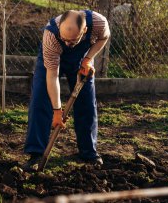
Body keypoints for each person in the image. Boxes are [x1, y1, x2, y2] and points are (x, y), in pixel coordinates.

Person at [23, 9, 111, 170]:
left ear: (84, 31)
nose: (67, 44)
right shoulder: (51, 36)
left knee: (86, 102)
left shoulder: (99, 23)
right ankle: (36, 154)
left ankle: (88, 152)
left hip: (80, 59)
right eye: (64, 39)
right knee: (40, 98)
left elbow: (104, 37)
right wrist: (57, 111)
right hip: (52, 60)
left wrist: (88, 59)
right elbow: (52, 77)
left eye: (72, 41)